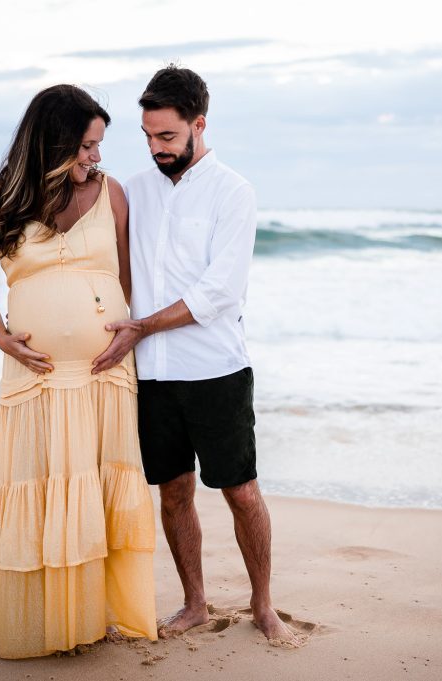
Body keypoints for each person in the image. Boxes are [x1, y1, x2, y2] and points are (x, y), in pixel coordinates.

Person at [91, 66, 297, 643]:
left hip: (216, 369)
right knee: (174, 492)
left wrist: (142, 327)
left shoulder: (234, 191)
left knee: (240, 490)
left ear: (197, 124)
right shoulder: (135, 188)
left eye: (167, 137)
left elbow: (219, 292)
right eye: (148, 136)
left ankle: (262, 604)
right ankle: (196, 603)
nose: (156, 148)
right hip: (153, 377)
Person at [0, 84, 157, 659]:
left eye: (98, 146)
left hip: (104, 377)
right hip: (37, 378)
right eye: (86, 146)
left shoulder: (113, 195)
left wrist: (131, 331)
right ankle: (44, 621)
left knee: (96, 494)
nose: (95, 157)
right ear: (52, 144)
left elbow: (126, 281)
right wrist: (4, 339)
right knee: (43, 490)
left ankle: (93, 619)